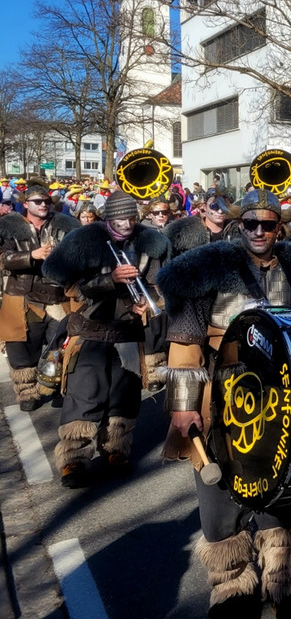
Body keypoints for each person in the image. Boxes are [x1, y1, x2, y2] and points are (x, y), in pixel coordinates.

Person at [155, 189, 291, 619]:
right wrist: (183, 406)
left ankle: (288, 583)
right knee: (219, 497)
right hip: (222, 396)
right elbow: (184, 344)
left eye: (267, 224)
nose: (258, 231)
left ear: (280, 228)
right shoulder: (208, 268)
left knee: (284, 491)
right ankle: (233, 589)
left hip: (281, 398)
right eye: (250, 224)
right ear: (239, 226)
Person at [41, 190, 171, 488]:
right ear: (108, 218)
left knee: (123, 394)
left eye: (131, 218)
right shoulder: (85, 238)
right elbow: (66, 283)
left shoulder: (150, 242)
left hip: (128, 329)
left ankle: (116, 449)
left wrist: (148, 301)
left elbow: (159, 284)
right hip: (91, 329)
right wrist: (108, 280)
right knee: (85, 394)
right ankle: (74, 458)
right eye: (120, 219)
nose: (127, 224)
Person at [0, 179, 80, 410]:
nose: (43, 204)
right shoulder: (9, 226)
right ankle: (27, 392)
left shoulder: (65, 224)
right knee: (22, 348)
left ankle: (57, 387)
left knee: (61, 346)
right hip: (24, 296)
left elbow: (78, 256)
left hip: (58, 295)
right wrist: (31, 255)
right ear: (26, 204)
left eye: (46, 201)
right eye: (37, 201)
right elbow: (3, 259)